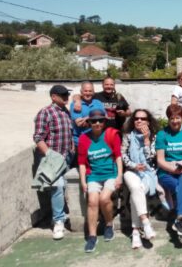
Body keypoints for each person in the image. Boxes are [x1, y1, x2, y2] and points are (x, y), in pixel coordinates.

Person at [78, 108, 123, 253]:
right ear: (89, 122)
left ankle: (109, 224)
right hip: (94, 175)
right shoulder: (84, 139)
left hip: (110, 174)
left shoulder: (111, 135)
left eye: (100, 120)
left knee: (104, 198)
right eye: (94, 121)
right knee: (92, 201)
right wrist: (83, 181)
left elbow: (118, 156)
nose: (97, 123)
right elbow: (82, 163)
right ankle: (92, 236)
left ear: (104, 121)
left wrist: (119, 175)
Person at [33, 85, 74, 240]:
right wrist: (49, 155)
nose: (66, 97)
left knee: (64, 188)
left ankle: (60, 215)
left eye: (67, 95)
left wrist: (72, 147)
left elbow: (68, 133)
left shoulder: (66, 112)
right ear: (53, 97)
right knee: (57, 186)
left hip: (66, 157)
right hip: (53, 159)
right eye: (63, 95)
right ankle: (58, 222)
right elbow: (38, 137)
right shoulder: (45, 112)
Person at [122, 109, 167, 249]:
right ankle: (146, 223)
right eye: (136, 118)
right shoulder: (128, 136)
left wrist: (146, 139)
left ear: (148, 121)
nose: (139, 121)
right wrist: (134, 166)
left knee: (137, 190)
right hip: (131, 171)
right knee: (136, 187)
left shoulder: (154, 137)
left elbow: (151, 158)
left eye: (142, 118)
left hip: (148, 173)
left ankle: (136, 232)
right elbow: (123, 155)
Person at [156, 104, 182, 242]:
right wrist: (173, 169)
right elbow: (160, 160)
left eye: (178, 118)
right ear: (168, 119)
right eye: (172, 118)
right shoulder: (162, 134)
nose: (175, 121)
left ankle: (180, 220)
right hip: (167, 170)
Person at [70, 81, 105, 148]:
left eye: (90, 91)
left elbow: (104, 118)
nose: (88, 93)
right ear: (81, 92)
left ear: (93, 92)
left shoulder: (98, 103)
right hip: (80, 141)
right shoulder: (76, 104)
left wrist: (87, 118)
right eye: (85, 91)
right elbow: (79, 123)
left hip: (97, 141)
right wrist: (96, 118)